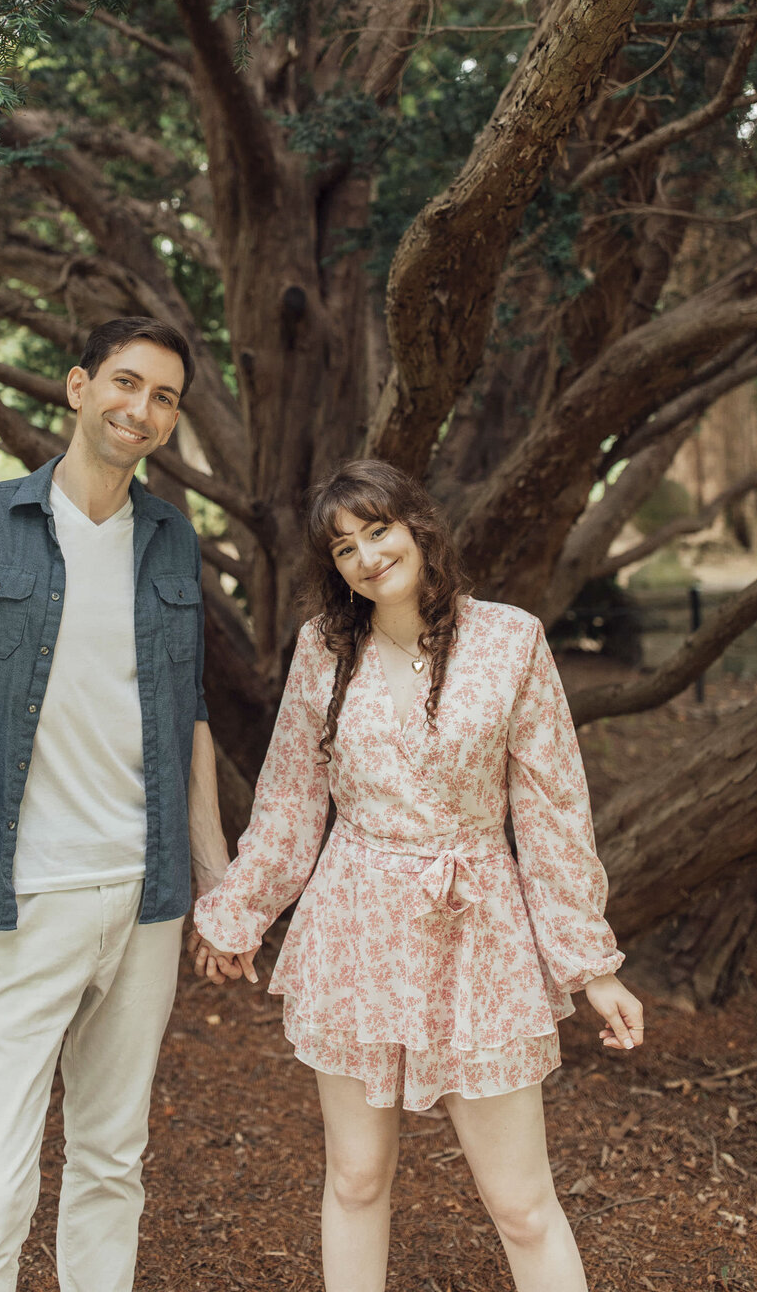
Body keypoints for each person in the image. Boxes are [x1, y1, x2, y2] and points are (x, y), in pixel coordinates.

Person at [191, 458, 643, 1292]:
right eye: (344, 548)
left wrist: (594, 966)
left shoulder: (510, 641)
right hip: (356, 929)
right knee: (357, 1179)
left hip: (478, 934)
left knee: (522, 1205)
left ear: (418, 528)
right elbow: (291, 800)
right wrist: (237, 912)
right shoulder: (324, 650)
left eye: (378, 530)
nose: (367, 556)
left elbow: (552, 814)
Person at [0, 315, 230, 1292]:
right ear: (79, 387)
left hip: (145, 898)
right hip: (14, 898)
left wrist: (215, 877)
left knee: (112, 1162)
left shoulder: (170, 538)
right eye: (126, 382)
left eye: (164, 397)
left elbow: (189, 711)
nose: (142, 409)